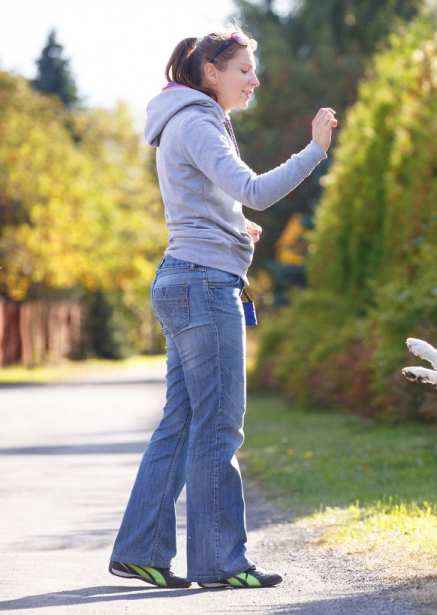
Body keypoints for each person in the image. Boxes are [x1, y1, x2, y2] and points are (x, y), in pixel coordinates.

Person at [108, 24, 336, 589]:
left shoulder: (186, 120)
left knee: (183, 424)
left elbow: (209, 203)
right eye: (244, 70)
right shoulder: (196, 121)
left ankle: (141, 550)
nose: (253, 81)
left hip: (191, 277)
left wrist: (236, 232)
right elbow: (253, 189)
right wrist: (315, 151)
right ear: (211, 72)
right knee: (218, 428)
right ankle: (220, 563)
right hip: (203, 286)